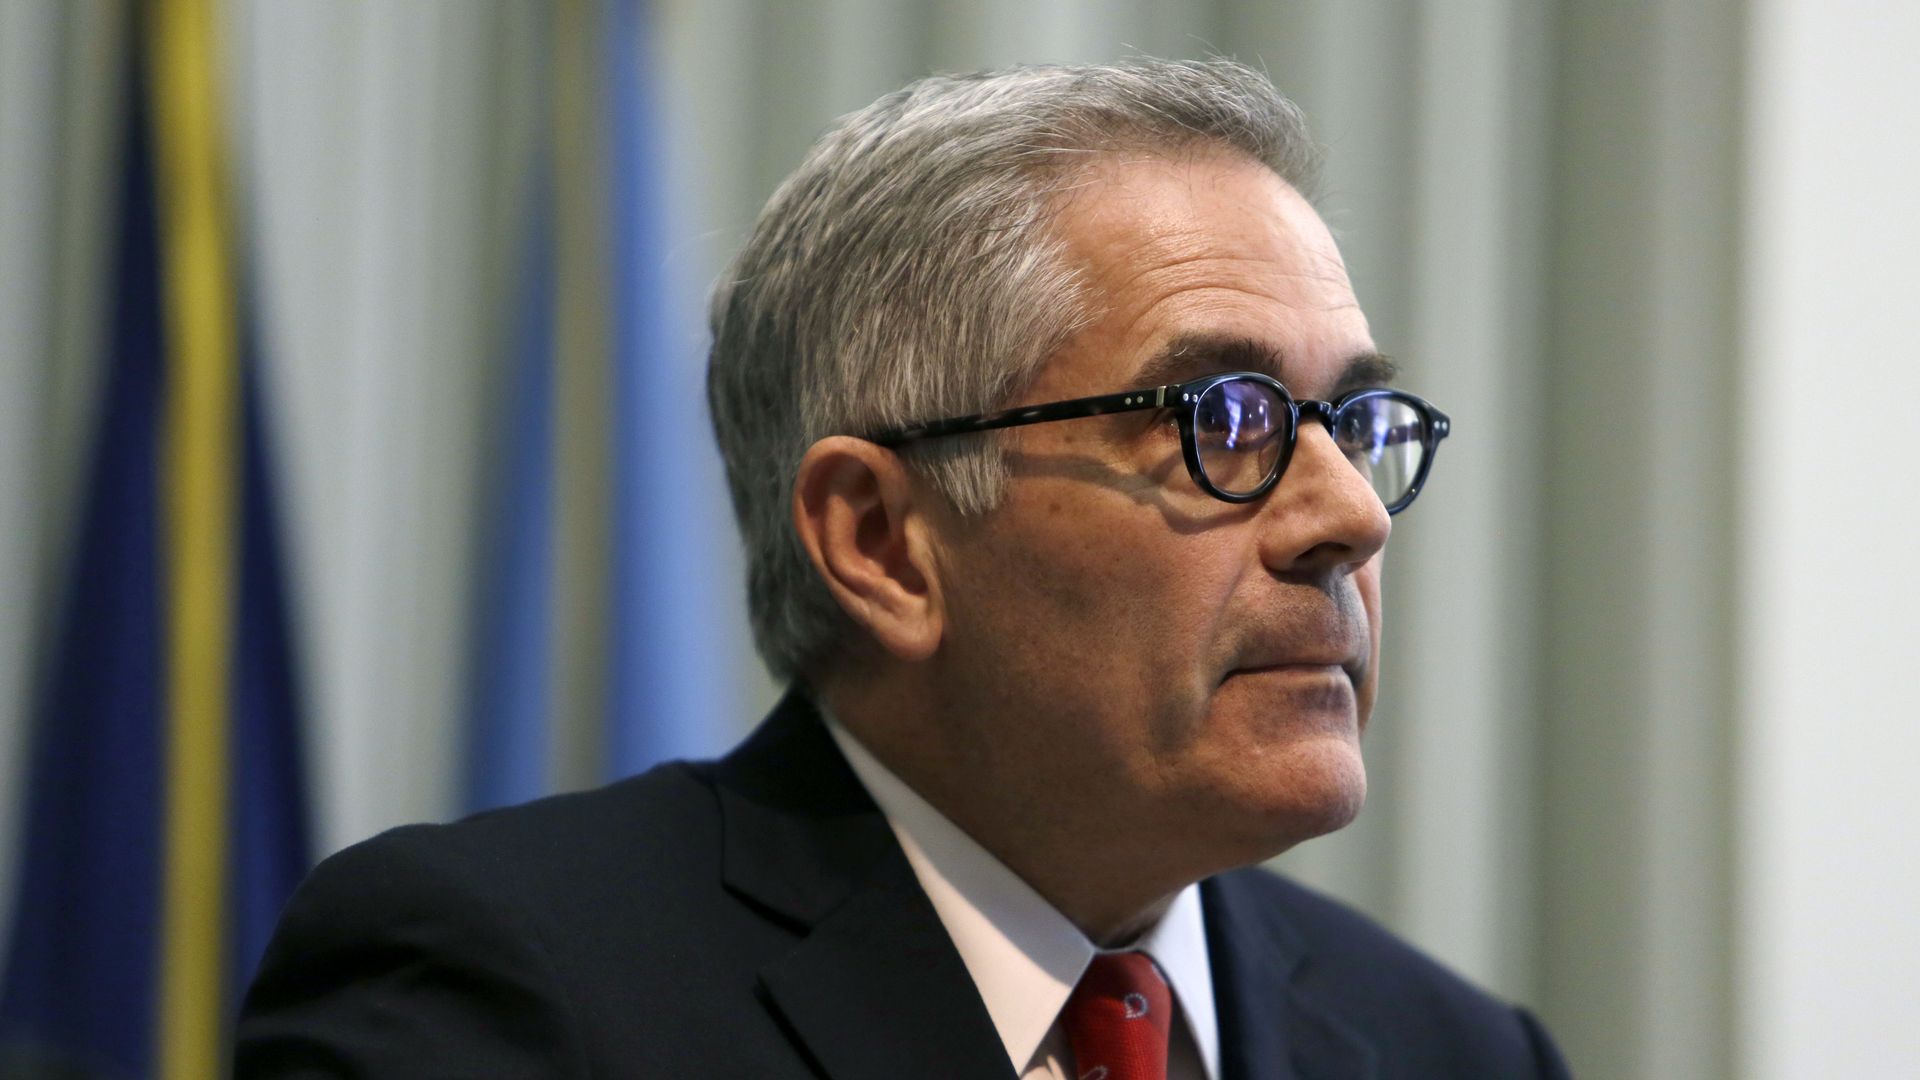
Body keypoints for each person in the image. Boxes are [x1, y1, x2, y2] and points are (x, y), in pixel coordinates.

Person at [237, 58, 1569, 1078]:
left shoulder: (1456, 1052)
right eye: (1219, 422)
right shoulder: (508, 996)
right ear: (882, 541)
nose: (1351, 516)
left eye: (1353, 424)